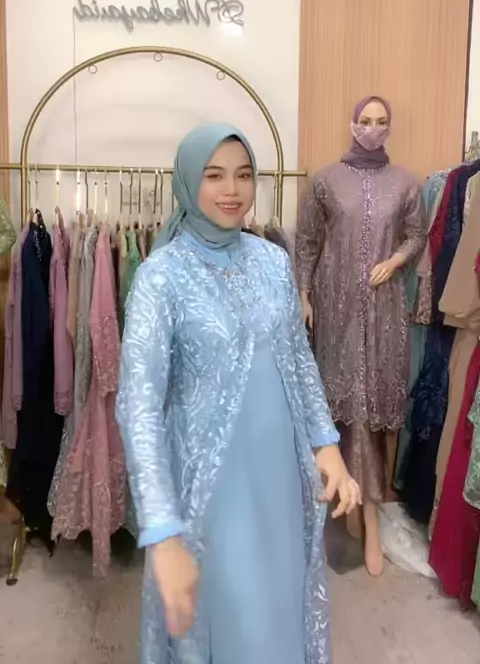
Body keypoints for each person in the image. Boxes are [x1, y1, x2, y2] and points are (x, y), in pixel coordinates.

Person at [116, 123, 361, 664]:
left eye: (244, 175)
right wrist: (162, 531)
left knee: (280, 612)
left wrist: (326, 447)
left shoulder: (273, 261)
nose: (232, 190)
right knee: (233, 620)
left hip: (280, 477)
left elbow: (298, 360)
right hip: (213, 489)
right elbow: (139, 408)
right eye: (214, 175)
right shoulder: (161, 277)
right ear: (188, 182)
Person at [296, 97, 426, 577]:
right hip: (336, 309)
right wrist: (304, 294)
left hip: (384, 309)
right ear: (352, 123)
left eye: (381, 121)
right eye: (365, 121)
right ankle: (350, 506)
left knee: (372, 414)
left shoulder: (406, 183)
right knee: (342, 410)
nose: (373, 128)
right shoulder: (326, 181)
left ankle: (369, 515)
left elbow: (417, 235)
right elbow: (307, 241)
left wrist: (395, 261)